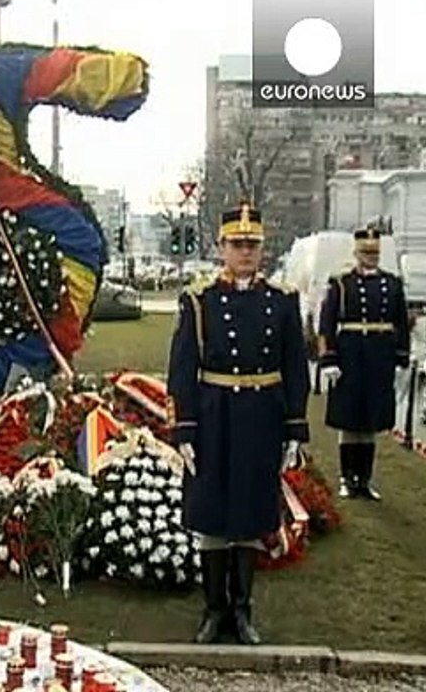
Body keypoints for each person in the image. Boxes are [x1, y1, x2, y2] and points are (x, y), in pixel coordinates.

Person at [167, 202, 310, 646]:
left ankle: (242, 610)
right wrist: (185, 429)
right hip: (214, 417)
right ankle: (213, 610)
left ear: (262, 249)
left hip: (261, 417)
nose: (245, 252)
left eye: (252, 245)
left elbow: (294, 367)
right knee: (212, 513)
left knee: (250, 513)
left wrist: (294, 429)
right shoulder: (199, 299)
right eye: (237, 244)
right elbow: (181, 368)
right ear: (220, 247)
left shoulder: (282, 300)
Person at [316, 226, 410, 500]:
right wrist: (328, 359)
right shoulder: (341, 284)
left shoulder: (392, 284)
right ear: (356, 254)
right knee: (349, 420)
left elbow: (401, 324)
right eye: (366, 253)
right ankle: (347, 477)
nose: (371, 257)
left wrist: (401, 359)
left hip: (378, 357)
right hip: (350, 356)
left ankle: (365, 479)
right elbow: (326, 324)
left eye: (374, 253)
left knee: (370, 422)